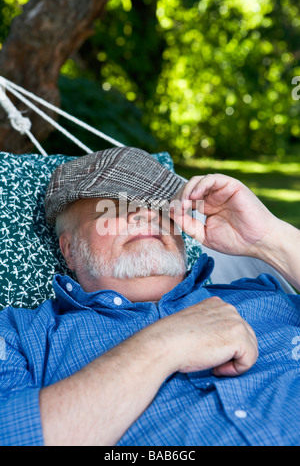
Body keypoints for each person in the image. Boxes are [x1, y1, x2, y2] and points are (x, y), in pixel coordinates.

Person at [0, 146, 299, 446]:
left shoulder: (262, 294)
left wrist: (270, 240)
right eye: (115, 206)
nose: (144, 214)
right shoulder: (22, 337)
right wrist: (164, 343)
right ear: (69, 250)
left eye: (160, 207)